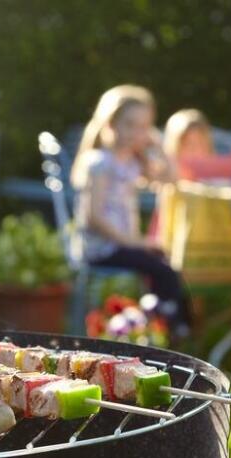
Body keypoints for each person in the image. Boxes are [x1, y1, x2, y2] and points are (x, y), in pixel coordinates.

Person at [70, 85, 193, 337]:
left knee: (169, 262)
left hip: (124, 246)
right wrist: (134, 242)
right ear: (110, 123)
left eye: (143, 127)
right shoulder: (100, 162)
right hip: (102, 248)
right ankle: (171, 327)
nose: (135, 133)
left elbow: (172, 179)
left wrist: (160, 147)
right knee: (161, 269)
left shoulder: (133, 161)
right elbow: (94, 217)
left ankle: (163, 324)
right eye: (129, 125)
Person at [163, 109, 231, 182]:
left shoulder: (221, 174)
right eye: (188, 144)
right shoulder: (164, 178)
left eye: (201, 143)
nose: (196, 150)